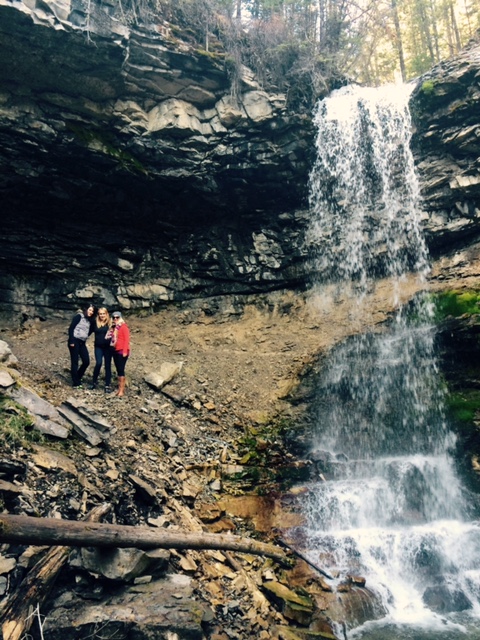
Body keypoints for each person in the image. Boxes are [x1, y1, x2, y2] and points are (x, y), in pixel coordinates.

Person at [68, 304, 95, 388]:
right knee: (75, 361)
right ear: (86, 309)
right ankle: (76, 383)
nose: (91, 312)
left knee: (86, 361)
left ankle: (77, 377)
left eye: (92, 311)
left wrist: (86, 335)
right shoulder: (79, 317)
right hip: (75, 341)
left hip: (82, 342)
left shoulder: (89, 320)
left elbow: (90, 330)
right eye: (90, 310)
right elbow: (71, 328)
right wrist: (71, 341)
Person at [89, 307, 113, 392]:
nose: (102, 315)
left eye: (103, 313)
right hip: (98, 346)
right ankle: (94, 382)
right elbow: (88, 332)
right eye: (100, 314)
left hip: (108, 348)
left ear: (106, 314)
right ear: (98, 315)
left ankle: (107, 385)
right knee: (98, 363)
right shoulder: (95, 322)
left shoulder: (110, 323)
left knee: (107, 365)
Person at [111, 311, 130, 397]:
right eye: (114, 317)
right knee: (118, 369)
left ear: (120, 317)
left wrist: (125, 351)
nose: (115, 319)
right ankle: (119, 389)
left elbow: (127, 339)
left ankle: (121, 390)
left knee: (121, 369)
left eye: (117, 317)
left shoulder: (123, 326)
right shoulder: (114, 327)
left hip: (122, 350)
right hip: (116, 349)